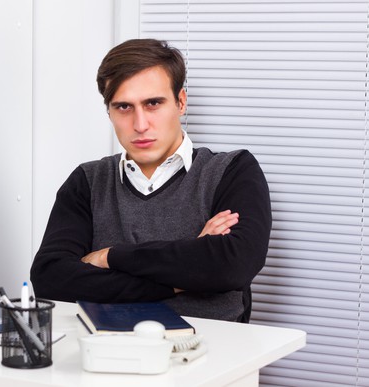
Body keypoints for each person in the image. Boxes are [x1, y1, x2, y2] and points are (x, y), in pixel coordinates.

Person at [30, 39, 271, 322]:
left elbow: (231, 265)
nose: (140, 124)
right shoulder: (88, 181)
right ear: (108, 111)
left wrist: (109, 257)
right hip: (103, 347)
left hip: (211, 351)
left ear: (180, 102)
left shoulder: (231, 170)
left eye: (153, 103)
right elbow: (50, 279)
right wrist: (181, 277)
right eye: (123, 107)